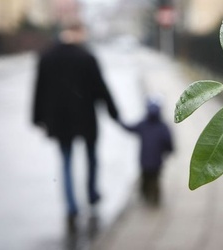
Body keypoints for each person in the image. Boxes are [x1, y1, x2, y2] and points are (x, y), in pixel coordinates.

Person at [32, 20, 119, 220]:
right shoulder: (86, 57)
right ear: (78, 32)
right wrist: (114, 112)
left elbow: (39, 89)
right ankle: (91, 194)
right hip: (86, 118)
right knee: (91, 158)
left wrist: (37, 117)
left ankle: (71, 205)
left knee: (66, 160)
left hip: (60, 120)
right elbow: (101, 88)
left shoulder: (47, 56)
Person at [121, 99, 173, 205]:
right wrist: (168, 150)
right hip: (157, 161)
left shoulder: (143, 125)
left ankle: (146, 196)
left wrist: (118, 119)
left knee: (145, 179)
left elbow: (129, 128)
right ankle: (155, 198)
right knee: (155, 180)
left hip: (144, 161)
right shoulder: (163, 127)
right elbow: (169, 143)